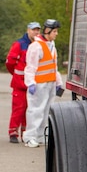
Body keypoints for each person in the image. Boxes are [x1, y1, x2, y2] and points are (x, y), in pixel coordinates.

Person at [23, 19, 64, 148]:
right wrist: (30, 83)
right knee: (36, 111)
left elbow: (54, 66)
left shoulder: (51, 45)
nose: (56, 34)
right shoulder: (36, 46)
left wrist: (58, 82)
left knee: (46, 110)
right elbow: (30, 67)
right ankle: (30, 137)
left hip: (50, 83)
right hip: (39, 84)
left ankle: (40, 136)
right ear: (48, 31)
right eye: (55, 31)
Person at [5, 21, 41, 144]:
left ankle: (26, 133)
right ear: (28, 30)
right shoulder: (19, 44)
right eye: (33, 30)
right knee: (18, 109)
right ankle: (13, 133)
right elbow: (10, 62)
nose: (36, 32)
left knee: (30, 110)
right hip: (20, 84)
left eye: (38, 30)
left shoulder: (38, 45)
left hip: (32, 84)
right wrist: (16, 75)